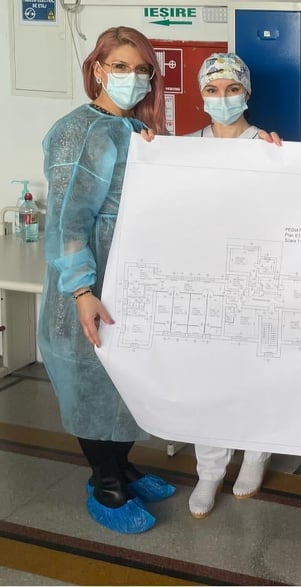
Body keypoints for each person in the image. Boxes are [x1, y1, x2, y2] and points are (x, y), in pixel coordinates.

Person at [39, 26, 175, 534]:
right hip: (88, 288)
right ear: (97, 69)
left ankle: (123, 466)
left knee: (122, 382)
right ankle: (105, 482)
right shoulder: (78, 131)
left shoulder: (133, 129)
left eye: (142, 70)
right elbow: (68, 220)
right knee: (91, 384)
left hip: (128, 280)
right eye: (120, 66)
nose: (132, 78)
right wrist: (81, 291)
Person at [185, 52, 282, 519]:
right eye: (212, 89)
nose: (222, 98)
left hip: (256, 279)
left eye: (232, 89)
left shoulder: (269, 146)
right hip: (204, 281)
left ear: (246, 92)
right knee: (206, 379)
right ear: (201, 95)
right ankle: (209, 470)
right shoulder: (182, 149)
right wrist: (149, 152)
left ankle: (255, 455)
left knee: (255, 372)